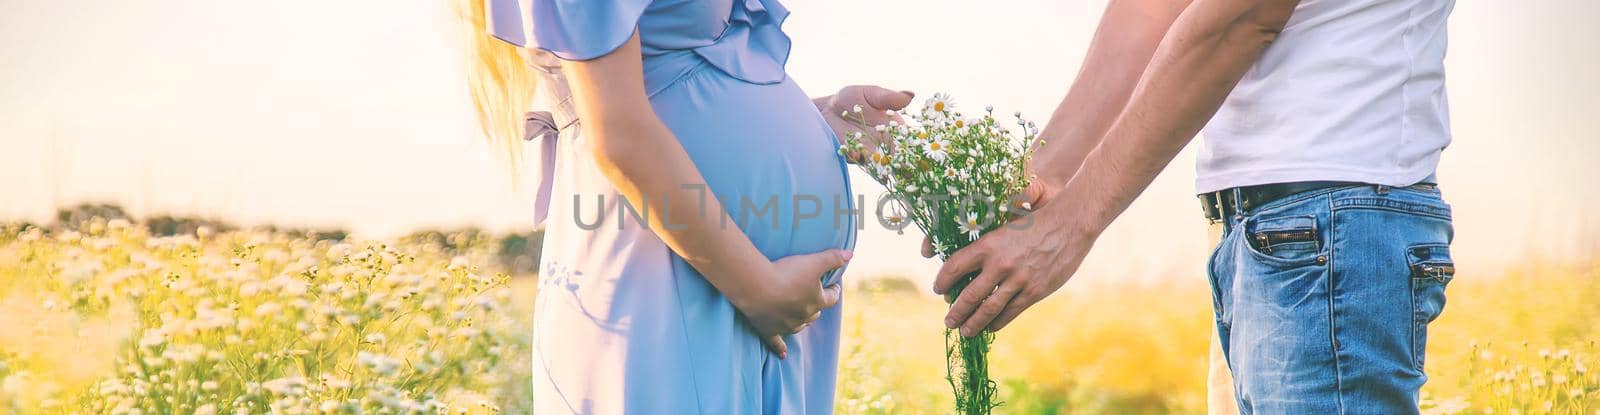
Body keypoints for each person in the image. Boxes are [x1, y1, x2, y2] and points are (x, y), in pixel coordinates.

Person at [931, 0, 1456, 413]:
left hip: (1331, 226)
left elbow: (1243, 15)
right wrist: (1039, 179)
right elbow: (1155, 6)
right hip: (1263, 234)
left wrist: (1069, 224)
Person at [463, 0, 910, 413]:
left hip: (759, 301)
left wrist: (821, 116)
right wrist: (759, 287)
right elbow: (619, 131)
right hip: (684, 277)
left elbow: (683, 80)